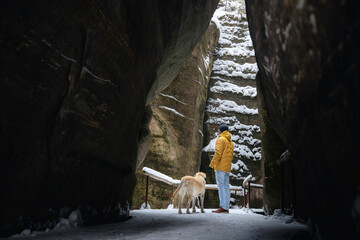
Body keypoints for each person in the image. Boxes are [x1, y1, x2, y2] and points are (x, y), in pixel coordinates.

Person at [209, 124, 234, 213]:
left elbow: (218, 154)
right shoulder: (230, 141)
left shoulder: (221, 140)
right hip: (227, 168)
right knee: (226, 187)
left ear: (221, 130)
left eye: (218, 129)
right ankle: (226, 207)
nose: (217, 130)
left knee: (221, 186)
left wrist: (211, 165)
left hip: (220, 167)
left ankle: (223, 207)